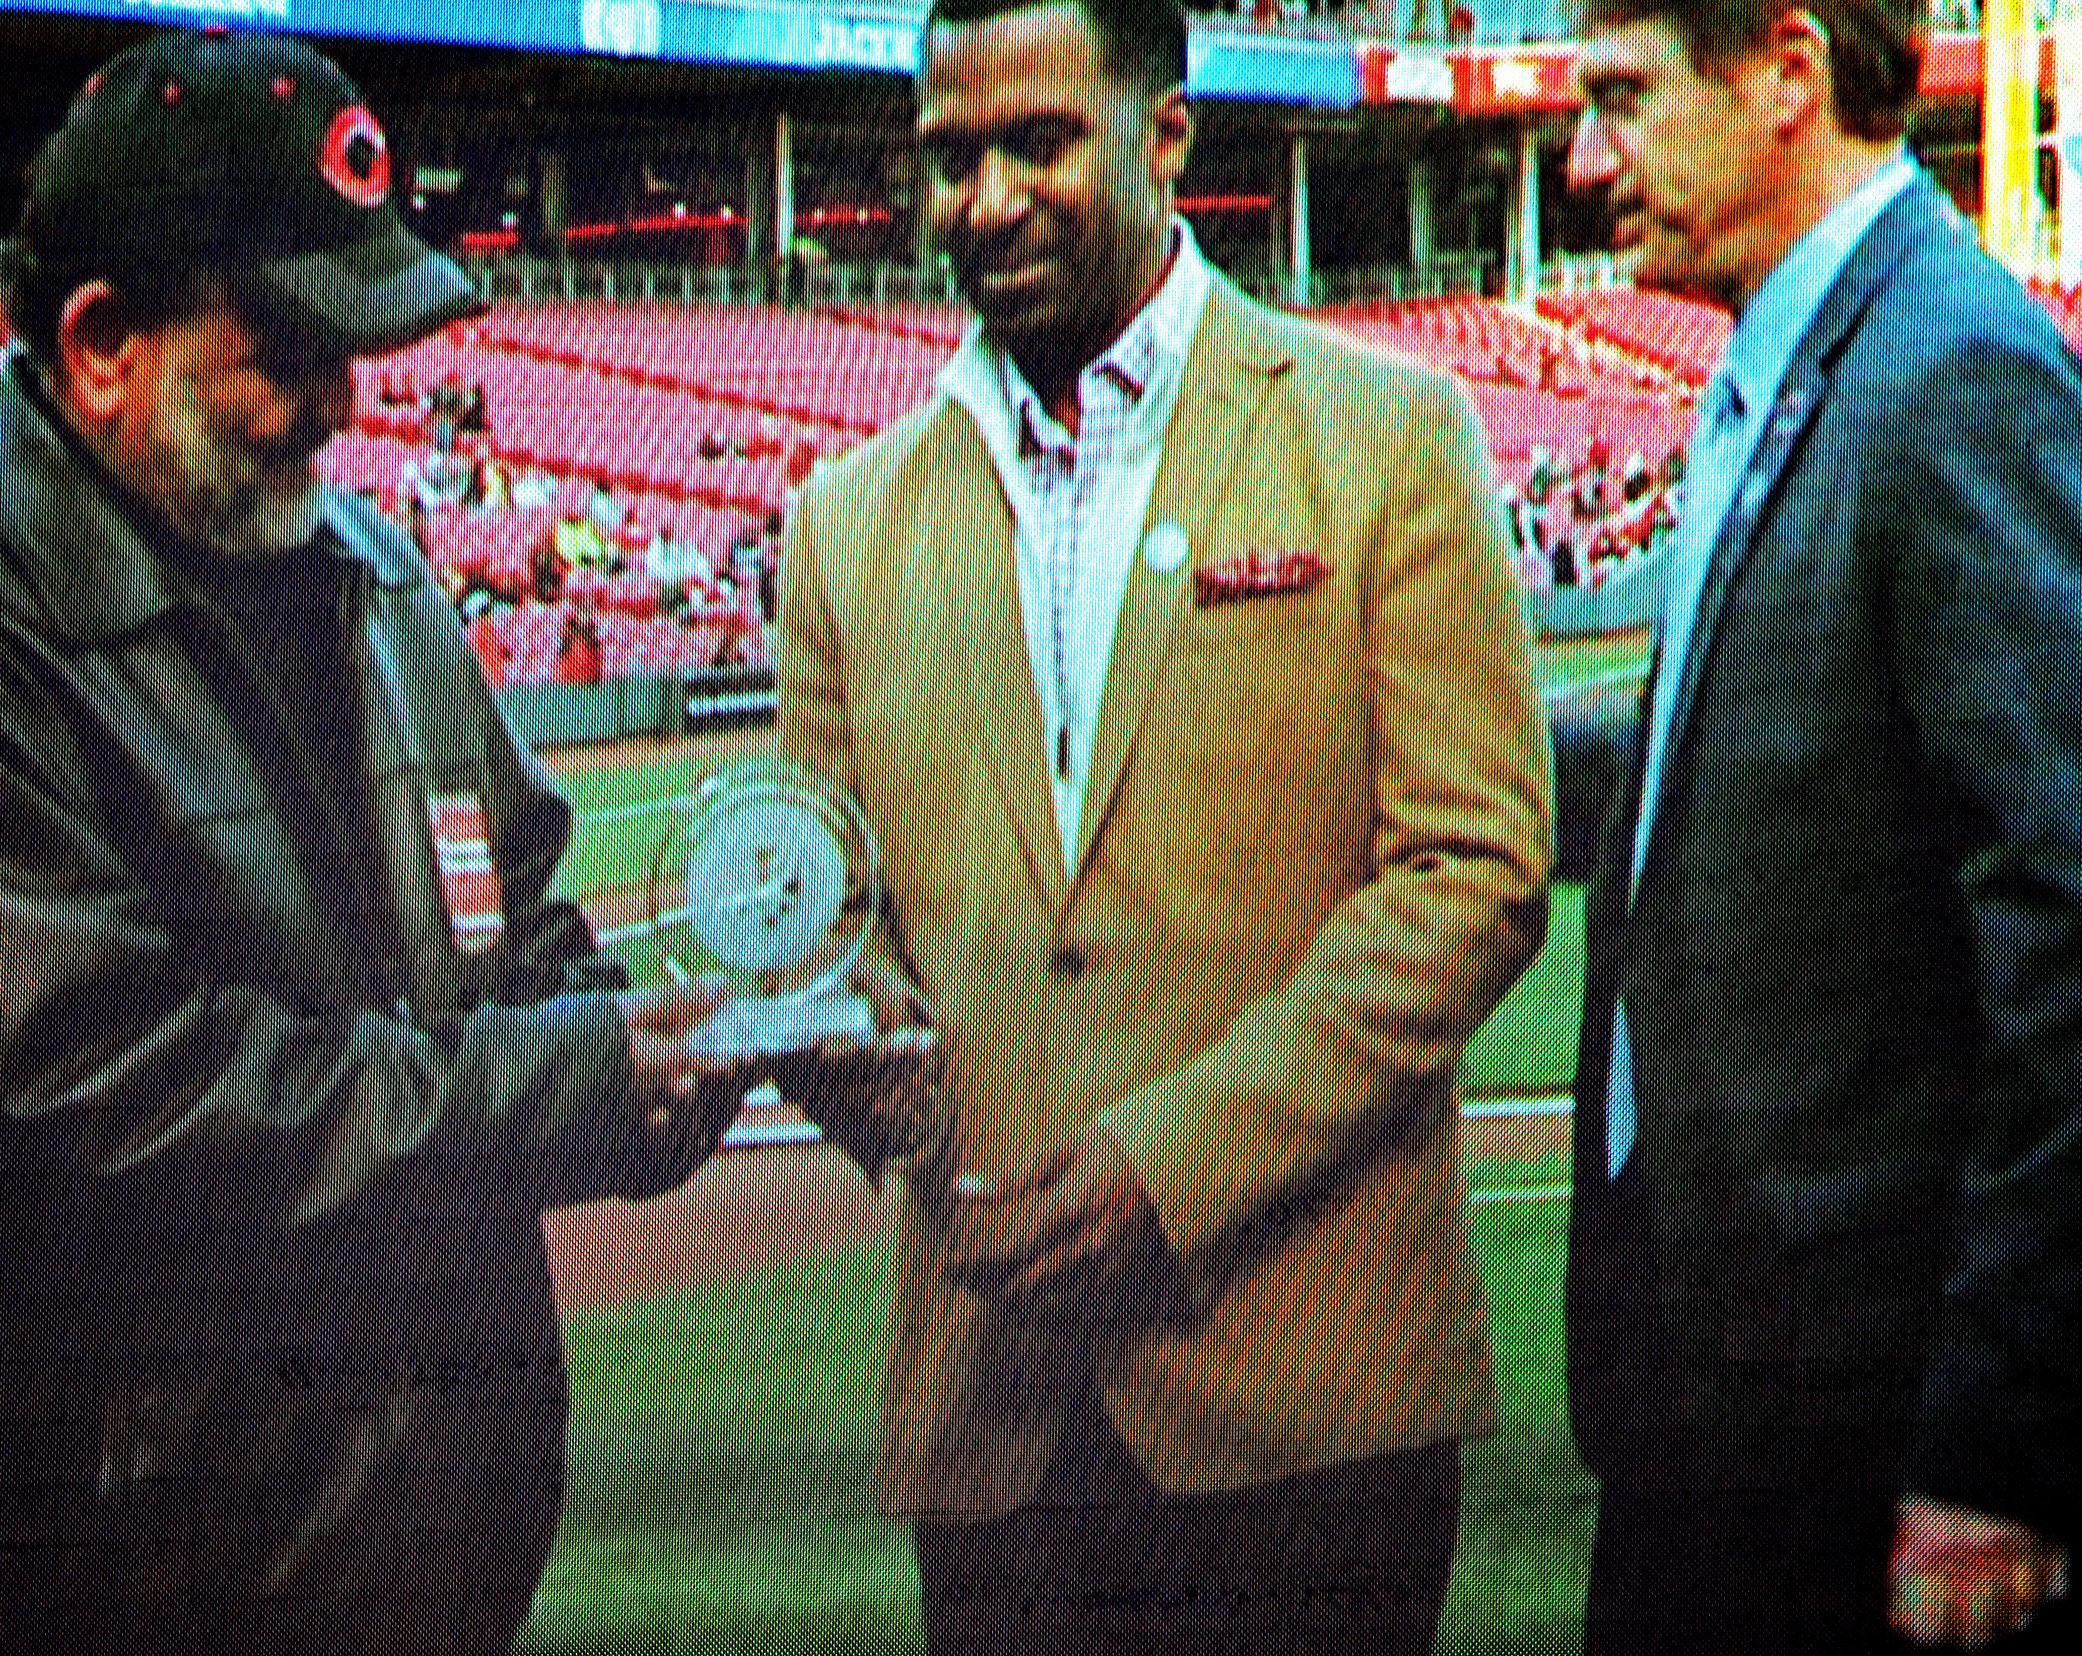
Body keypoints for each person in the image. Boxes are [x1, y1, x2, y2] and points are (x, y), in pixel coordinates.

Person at [0, 31, 777, 1656]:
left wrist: (682, 1043)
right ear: (100, 344)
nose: (338, 406)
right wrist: (572, 1081)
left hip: (406, 1568)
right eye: (285, 345)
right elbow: (131, 1113)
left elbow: (517, 927)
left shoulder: (370, 572)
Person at [772, 2, 1555, 1652]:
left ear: (1167, 135)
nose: (986, 200)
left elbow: (1473, 874)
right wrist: (841, 1048)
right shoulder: (839, 529)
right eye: (949, 155)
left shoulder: (1389, 440)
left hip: (1309, 1403)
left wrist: (1168, 1162)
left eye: (1040, 142)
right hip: (995, 1421)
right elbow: (833, 925)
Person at [1562, 5, 2082, 1651]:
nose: (1587, 160)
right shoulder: (1794, 366)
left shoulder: (1951, 371)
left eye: (1623, 99)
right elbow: (1734, 768)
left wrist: (1998, 1447)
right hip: (1717, 1410)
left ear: (1788, 73)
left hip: (1862, 1450)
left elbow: (2067, 919)